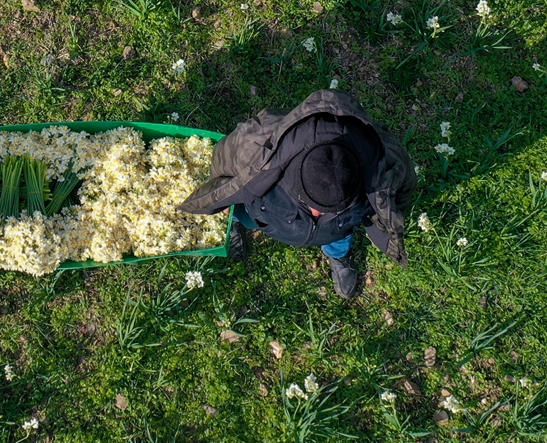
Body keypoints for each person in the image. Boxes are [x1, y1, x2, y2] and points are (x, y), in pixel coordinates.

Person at [178, 89, 417, 298]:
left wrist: (384, 220)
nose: (316, 215)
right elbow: (222, 162)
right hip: (266, 210)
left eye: (328, 208)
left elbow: (403, 192)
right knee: (243, 213)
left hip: (336, 228)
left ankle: (338, 256)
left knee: (338, 235)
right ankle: (237, 223)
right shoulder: (256, 145)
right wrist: (223, 201)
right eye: (312, 204)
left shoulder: (385, 162)